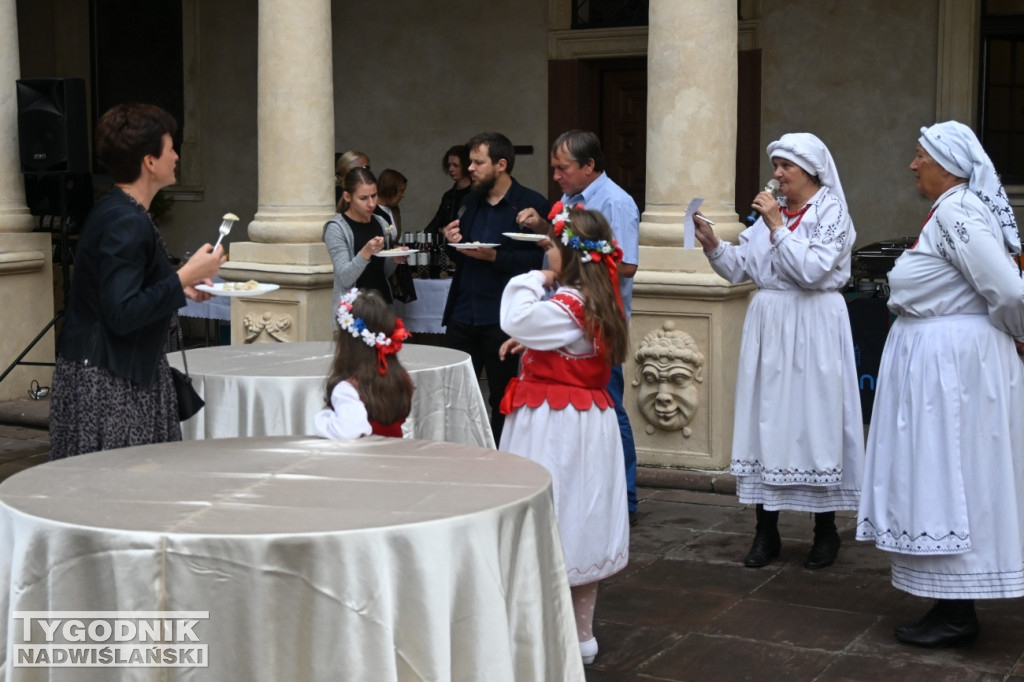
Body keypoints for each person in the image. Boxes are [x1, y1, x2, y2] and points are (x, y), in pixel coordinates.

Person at [856, 121, 1024, 648]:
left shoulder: (957, 211)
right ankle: (951, 600)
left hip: (953, 367)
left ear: (948, 165)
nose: (912, 164)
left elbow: (1007, 289)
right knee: (946, 472)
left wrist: (1019, 336)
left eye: (920, 155)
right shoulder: (949, 212)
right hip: (940, 358)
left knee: (953, 473)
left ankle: (958, 608)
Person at [693, 132, 863, 570]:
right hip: (770, 324)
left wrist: (776, 227)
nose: (777, 175)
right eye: (776, 165)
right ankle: (764, 530)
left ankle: (825, 531)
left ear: (810, 170)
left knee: (815, 419)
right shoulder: (777, 215)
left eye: (786, 166)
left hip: (814, 324)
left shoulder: (831, 213)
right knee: (767, 418)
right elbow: (742, 270)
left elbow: (813, 269)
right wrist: (714, 244)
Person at [48, 103, 226, 459]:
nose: (176, 156)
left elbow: (124, 291)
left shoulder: (122, 211)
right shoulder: (125, 220)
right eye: (171, 147)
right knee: (121, 494)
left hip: (121, 372)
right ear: (149, 161)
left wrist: (182, 288)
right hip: (111, 384)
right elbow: (121, 312)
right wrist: (183, 277)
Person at [498, 205, 630, 666]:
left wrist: (536, 280)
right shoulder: (595, 299)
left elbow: (516, 318)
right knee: (580, 514)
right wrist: (534, 339)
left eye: (551, 246)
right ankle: (581, 633)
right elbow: (553, 336)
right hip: (587, 419)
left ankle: (542, 631)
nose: (545, 253)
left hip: (555, 422)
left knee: (553, 513)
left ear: (570, 255)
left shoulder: (568, 301)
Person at [517, 129, 641, 525]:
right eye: (553, 167)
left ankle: (626, 496)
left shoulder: (615, 202)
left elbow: (628, 264)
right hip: (562, 310)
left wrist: (579, 261)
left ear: (589, 166)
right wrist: (545, 231)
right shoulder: (569, 200)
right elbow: (565, 247)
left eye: (562, 168)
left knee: (608, 404)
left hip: (595, 318)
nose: (555, 175)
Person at [440, 131, 549, 442]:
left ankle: (503, 460)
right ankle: (460, 457)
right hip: (464, 312)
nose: (470, 168)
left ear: (501, 165)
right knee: (456, 395)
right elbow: (459, 254)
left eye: (478, 162)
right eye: (470, 162)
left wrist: (495, 257)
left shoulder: (530, 204)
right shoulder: (469, 202)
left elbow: (540, 261)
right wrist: (452, 242)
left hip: (504, 316)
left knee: (503, 397)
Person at [314, 288, 414, 439]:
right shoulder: (401, 377)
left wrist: (323, 419)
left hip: (364, 461)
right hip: (396, 457)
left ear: (346, 343)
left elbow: (350, 431)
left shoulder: (348, 389)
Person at [323, 167, 406, 313]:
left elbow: (383, 272)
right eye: (363, 198)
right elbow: (345, 278)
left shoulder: (381, 222)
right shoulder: (336, 228)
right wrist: (365, 252)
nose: (371, 203)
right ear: (348, 197)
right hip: (352, 312)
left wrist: (394, 259)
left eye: (374, 196)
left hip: (383, 305)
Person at [424, 144, 472, 238]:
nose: (451, 169)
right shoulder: (448, 196)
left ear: (466, 166)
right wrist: (420, 239)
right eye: (449, 165)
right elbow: (436, 223)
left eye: (455, 165)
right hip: (451, 245)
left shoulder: (477, 194)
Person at [376, 168, 407, 238]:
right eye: (401, 191)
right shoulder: (370, 209)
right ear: (390, 189)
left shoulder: (395, 209)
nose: (403, 195)